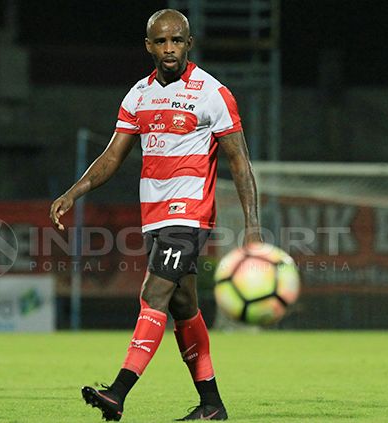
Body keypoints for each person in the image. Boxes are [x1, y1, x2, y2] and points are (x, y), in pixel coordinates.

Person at [50, 9, 261, 421]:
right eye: (161, 42)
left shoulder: (211, 93)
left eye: (177, 41)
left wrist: (253, 226)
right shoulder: (138, 95)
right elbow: (113, 156)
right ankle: (212, 405)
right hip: (154, 216)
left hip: (191, 213)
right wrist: (75, 191)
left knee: (153, 292)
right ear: (148, 45)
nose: (169, 49)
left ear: (189, 43)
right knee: (183, 306)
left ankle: (118, 391)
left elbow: (240, 161)